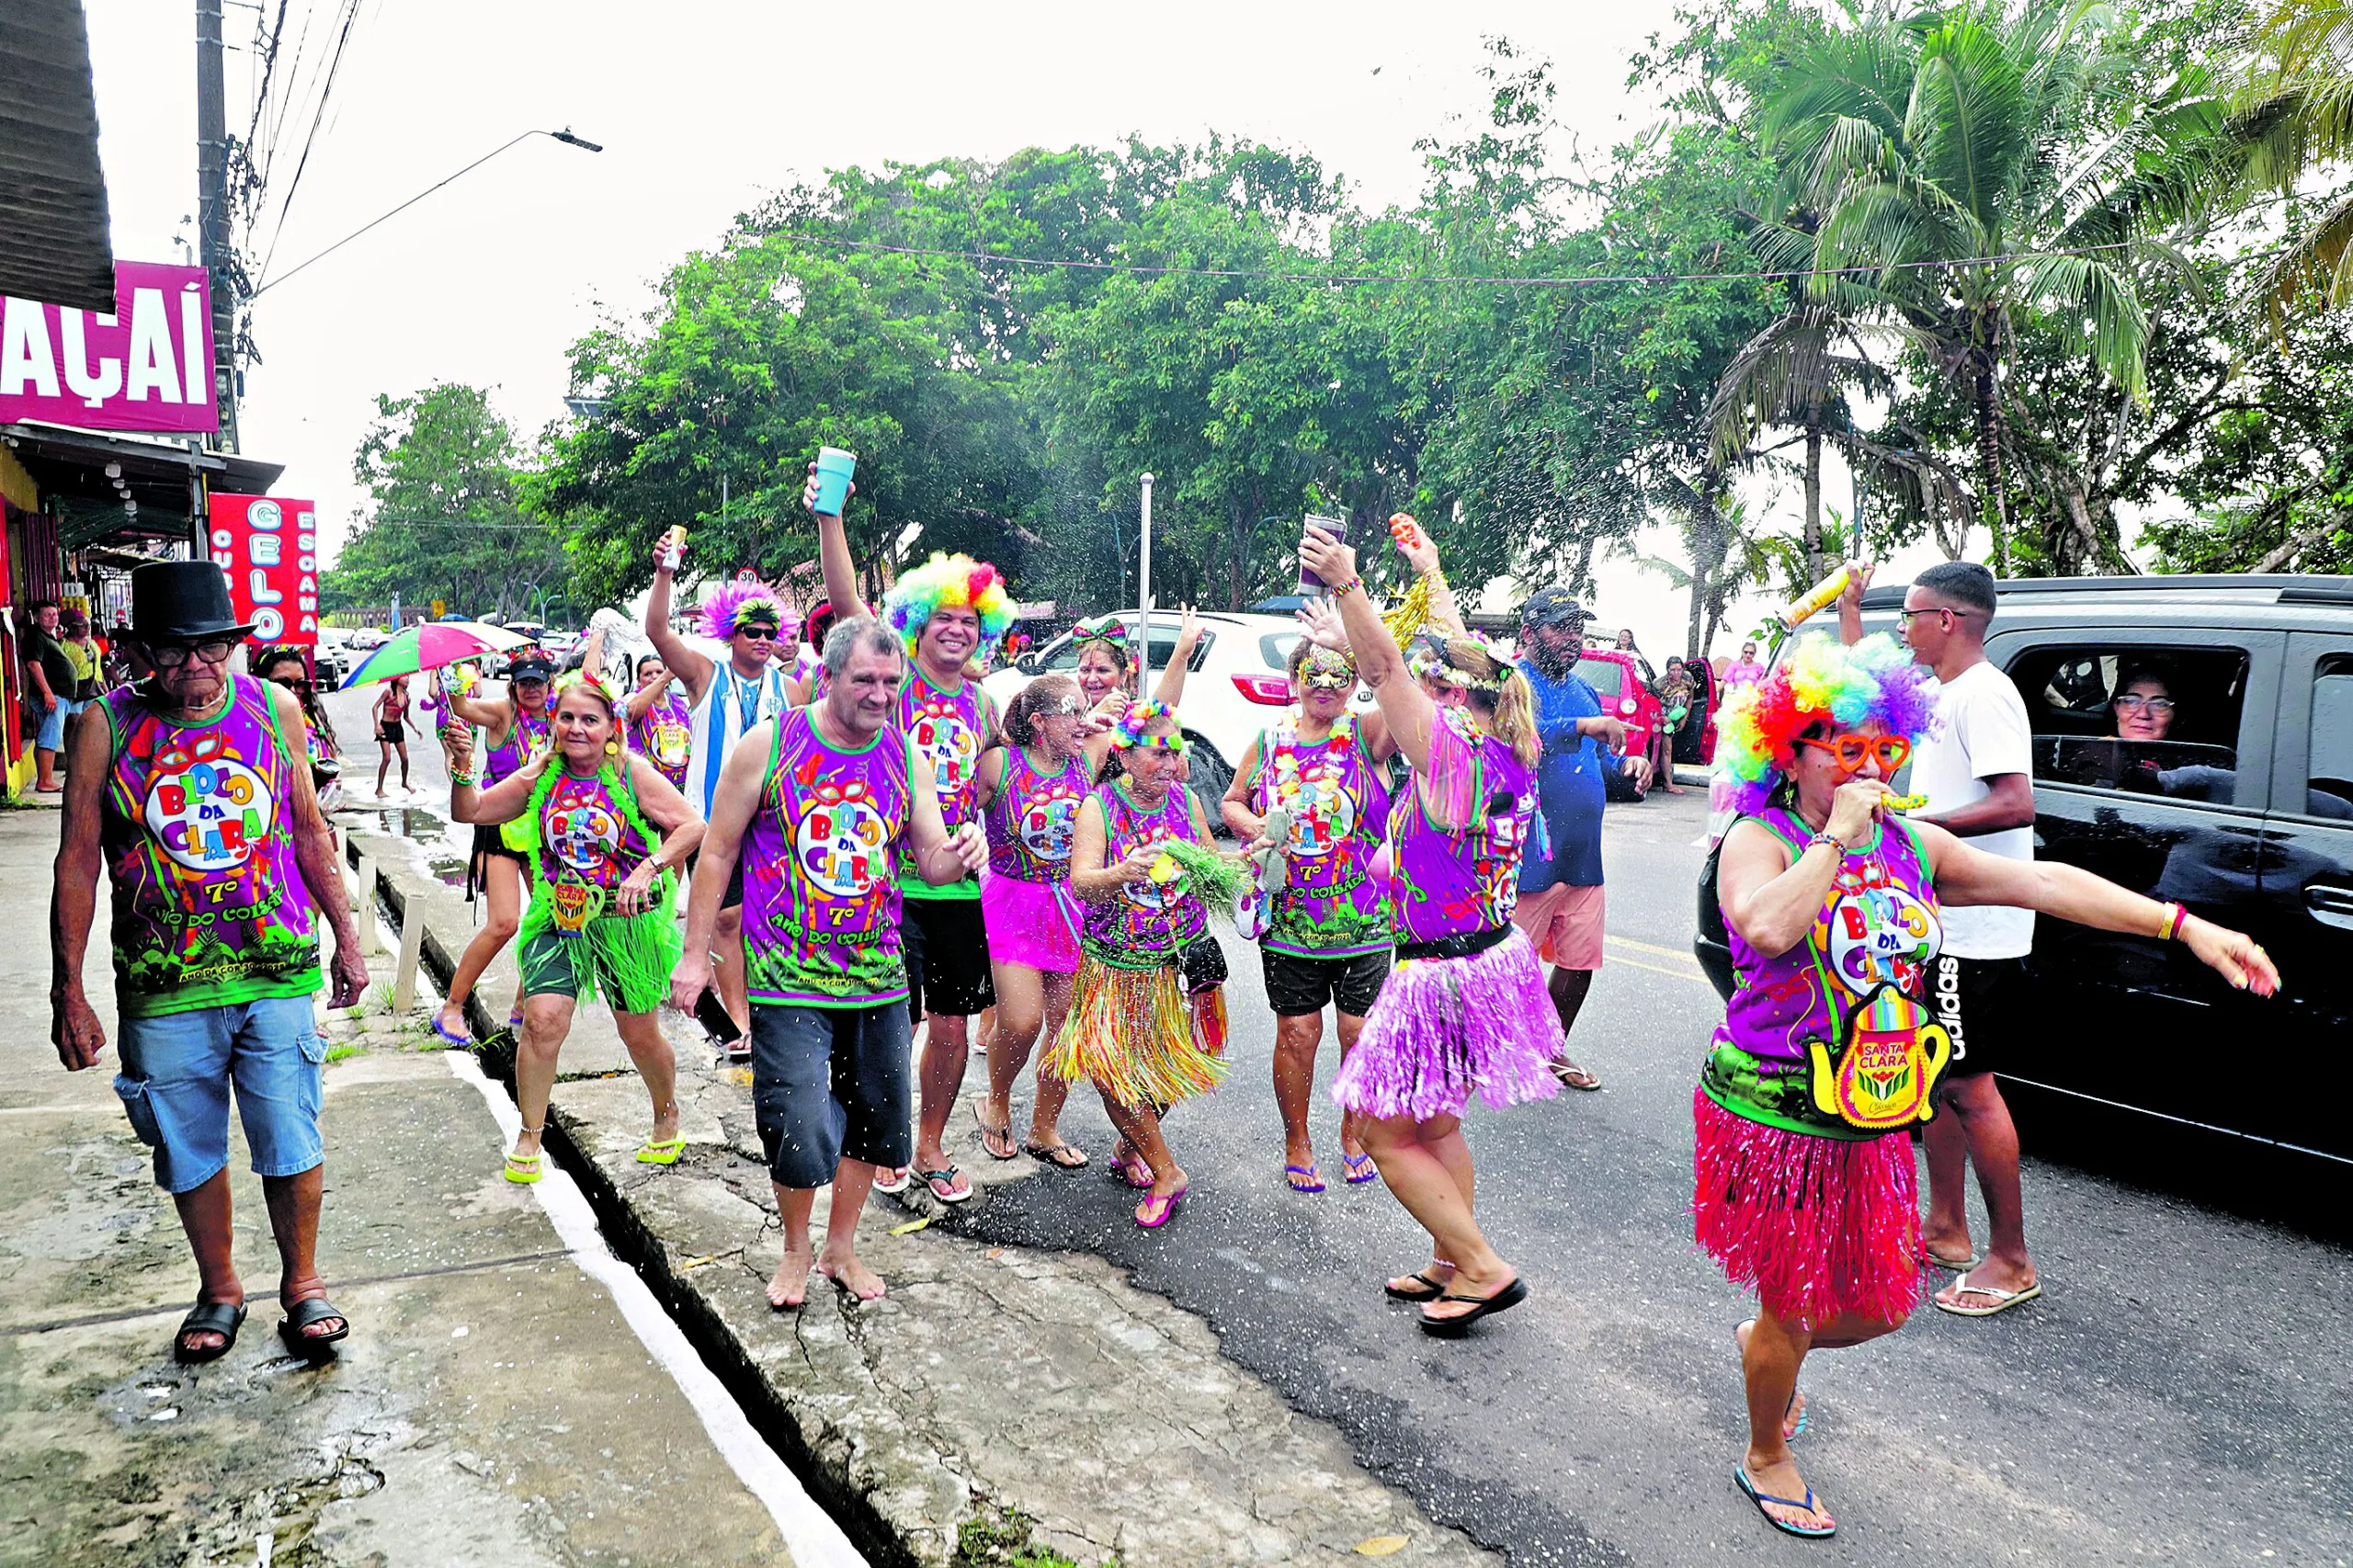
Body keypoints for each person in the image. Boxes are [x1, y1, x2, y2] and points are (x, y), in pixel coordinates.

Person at [1702, 632, 2278, 1539]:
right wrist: (1834, 837)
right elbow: (1766, 926)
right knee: (1796, 1301)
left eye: (1882, 746)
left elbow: (2040, 880)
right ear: (1788, 749)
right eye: (1843, 746)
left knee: (1882, 1301)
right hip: (1774, 1112)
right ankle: (1766, 1446)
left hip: (1871, 1106)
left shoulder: (1911, 845)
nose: (1869, 765)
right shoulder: (1759, 837)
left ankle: (1768, 1347)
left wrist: (2183, 925)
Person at [50, 561, 370, 1362]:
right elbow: (77, 860)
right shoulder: (105, 727)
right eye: (172, 650)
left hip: (276, 968)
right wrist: (69, 989)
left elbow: (306, 831)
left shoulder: (275, 709)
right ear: (139, 651)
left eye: (210, 648)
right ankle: (220, 1288)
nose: (193, 667)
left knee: (289, 1131)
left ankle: (302, 1286)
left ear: (233, 645)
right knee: (187, 1144)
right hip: (163, 983)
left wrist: (349, 936)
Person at [667, 616, 988, 1306]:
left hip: (877, 977)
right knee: (801, 1119)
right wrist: (695, 957)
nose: (879, 695)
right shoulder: (773, 743)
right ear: (831, 674)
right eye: (865, 680)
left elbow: (929, 861)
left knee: (874, 1122)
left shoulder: (907, 757)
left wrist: (958, 853)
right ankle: (794, 1249)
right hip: (788, 977)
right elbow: (717, 851)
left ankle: (841, 1250)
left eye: (890, 683)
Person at [1295, 523, 1560, 1335]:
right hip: (1482, 958)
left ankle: (1482, 1268)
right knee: (1437, 1122)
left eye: (1432, 687)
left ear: (1456, 701)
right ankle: (1452, 1262)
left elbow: (1379, 668)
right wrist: (1433, 570)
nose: (1412, 693)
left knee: (1378, 1130)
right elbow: (1450, 648)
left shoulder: (1453, 758)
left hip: (1440, 972)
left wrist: (1347, 583)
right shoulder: (1502, 751)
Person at [1840, 561, 2042, 1313]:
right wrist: (1854, 612)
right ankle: (1947, 1227)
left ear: (1948, 621)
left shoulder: (1986, 694)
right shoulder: (1942, 691)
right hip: (1939, 925)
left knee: (1969, 1087)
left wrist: (1913, 826)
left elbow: (2015, 803)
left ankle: (2011, 1259)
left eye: (1911, 615)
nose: (1904, 627)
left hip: (1978, 931)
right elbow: (1872, 692)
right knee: (1939, 1082)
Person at [810, 464, 1012, 1204]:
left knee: (956, 1030)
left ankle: (928, 1148)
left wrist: (987, 836)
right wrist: (831, 517)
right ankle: (882, 1143)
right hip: (884, 880)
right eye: (944, 621)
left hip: (956, 883)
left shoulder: (985, 701)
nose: (957, 631)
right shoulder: (892, 681)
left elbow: (990, 789)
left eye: (970, 622)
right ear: (918, 627)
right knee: (892, 1025)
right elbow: (844, 603)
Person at [443, 673, 703, 1180]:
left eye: (590, 719)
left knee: (639, 1035)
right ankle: (530, 1134)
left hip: (624, 925)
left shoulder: (632, 773)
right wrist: (461, 765)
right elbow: (470, 811)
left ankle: (666, 1114)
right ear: (554, 723)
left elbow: (693, 825)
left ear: (611, 727)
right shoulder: (540, 776)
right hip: (558, 919)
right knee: (541, 1022)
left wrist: (649, 867)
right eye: (567, 718)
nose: (577, 728)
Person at [1221, 621, 1398, 1192]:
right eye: (1313, 674)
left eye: (1339, 674)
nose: (1325, 684)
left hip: (1365, 920)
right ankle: (1298, 1140)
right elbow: (1231, 801)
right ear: (1294, 679)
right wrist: (1254, 828)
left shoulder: (1368, 734)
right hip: (1290, 918)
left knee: (1358, 1031)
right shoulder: (1269, 740)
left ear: (1353, 683)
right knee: (1298, 1034)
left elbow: (1396, 682)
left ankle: (1353, 1132)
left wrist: (1352, 632)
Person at [1044, 698, 1232, 1225]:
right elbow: (1081, 883)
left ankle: (1134, 1147)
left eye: (1175, 752)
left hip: (1179, 963)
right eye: (1158, 753)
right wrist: (1124, 870)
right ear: (1125, 757)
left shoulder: (1187, 802)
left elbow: (1212, 869)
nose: (1171, 764)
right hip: (1117, 966)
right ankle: (1167, 1170)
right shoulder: (1098, 807)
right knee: (1113, 1074)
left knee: (1166, 1070)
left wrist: (1249, 860)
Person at [968, 673, 1117, 1169]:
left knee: (1066, 1025)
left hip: (1071, 909)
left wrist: (1181, 654)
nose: (1082, 720)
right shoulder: (999, 763)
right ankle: (997, 1100)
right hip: (1011, 904)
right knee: (1023, 1019)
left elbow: (1156, 719)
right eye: (1071, 713)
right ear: (1038, 721)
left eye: (1082, 712)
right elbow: (952, 797)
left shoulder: (1087, 758)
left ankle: (1044, 1127)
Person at [644, 561, 796, 1044]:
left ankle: (775, 1010)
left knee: (773, 922)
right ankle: (740, 1022)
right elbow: (657, 632)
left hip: (774, 827)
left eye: (770, 631)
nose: (763, 639)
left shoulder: (789, 688)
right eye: (752, 631)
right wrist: (664, 574)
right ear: (732, 633)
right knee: (726, 919)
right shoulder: (705, 675)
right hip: (712, 823)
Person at [1512, 588, 1650, 1092]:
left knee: (1579, 964)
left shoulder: (1586, 691)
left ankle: (1547, 1050)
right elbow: (1517, 737)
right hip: (1527, 857)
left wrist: (1627, 766)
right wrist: (1583, 726)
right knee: (1507, 970)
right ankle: (1486, 1052)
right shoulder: (1511, 685)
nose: (1572, 639)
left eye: (1576, 628)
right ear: (1529, 633)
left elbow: (1601, 760)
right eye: (1560, 627)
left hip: (1583, 856)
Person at [432, 650, 557, 1047]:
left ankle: (524, 1001)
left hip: (542, 832)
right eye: (524, 681)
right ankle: (452, 1006)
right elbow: (462, 706)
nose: (531, 688)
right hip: (500, 827)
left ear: (550, 682)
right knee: (504, 923)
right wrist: (453, 670)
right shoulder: (505, 713)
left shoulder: (560, 719)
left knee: (552, 917)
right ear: (513, 684)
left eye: (538, 681)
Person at [254, 647, 343, 811]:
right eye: (282, 683)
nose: (293, 691)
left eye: (300, 684)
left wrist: (330, 783)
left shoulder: (313, 717)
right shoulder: (253, 726)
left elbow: (331, 756)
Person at [626, 652, 695, 790]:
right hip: (649, 787)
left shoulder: (678, 703)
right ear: (639, 680)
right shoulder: (633, 699)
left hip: (682, 787)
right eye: (648, 674)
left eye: (659, 672)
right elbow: (630, 712)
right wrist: (664, 677)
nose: (654, 677)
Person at [27, 598, 73, 792]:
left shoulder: (49, 637)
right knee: (50, 736)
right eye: (47, 614)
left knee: (50, 734)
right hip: (51, 695)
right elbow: (33, 665)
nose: (53, 617)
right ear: (37, 618)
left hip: (58, 695)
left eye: (54, 614)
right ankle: (45, 781)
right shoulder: (35, 637)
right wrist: (47, 692)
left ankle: (45, 779)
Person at [1651, 656, 1696, 795]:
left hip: (1678, 716)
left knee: (1672, 750)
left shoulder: (1688, 679)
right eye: (1672, 670)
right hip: (1661, 720)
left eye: (1679, 669)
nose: (1676, 673)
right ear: (1667, 670)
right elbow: (1652, 704)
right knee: (1666, 750)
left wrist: (1685, 718)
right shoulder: (1659, 684)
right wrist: (1662, 717)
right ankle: (1667, 784)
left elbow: (1690, 697)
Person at [58, 609, 102, 750]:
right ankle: (72, 753)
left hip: (92, 688)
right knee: (74, 723)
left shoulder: (92, 644)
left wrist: (104, 689)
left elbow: (98, 669)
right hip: (74, 690)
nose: (87, 628)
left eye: (88, 625)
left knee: (90, 723)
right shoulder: (64, 646)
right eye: (83, 625)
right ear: (73, 627)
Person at [371, 675, 422, 797]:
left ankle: (404, 783)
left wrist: (415, 728)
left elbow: (406, 716)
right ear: (397, 679)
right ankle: (379, 789)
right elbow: (375, 707)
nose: (407, 679)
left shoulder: (406, 697)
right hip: (385, 727)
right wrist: (377, 725)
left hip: (397, 727)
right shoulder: (388, 692)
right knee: (387, 758)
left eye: (408, 678)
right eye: (404, 677)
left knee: (405, 759)